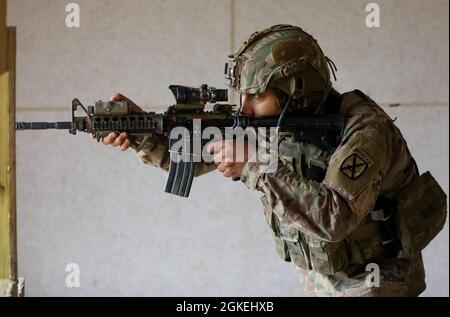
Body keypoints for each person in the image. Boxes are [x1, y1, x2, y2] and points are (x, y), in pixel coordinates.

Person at [97, 24, 446, 297]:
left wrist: (255, 165)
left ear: (296, 90)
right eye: (242, 94)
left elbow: (333, 217)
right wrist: (142, 131)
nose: (244, 108)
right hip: (323, 283)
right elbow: (187, 157)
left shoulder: (365, 131)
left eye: (255, 95)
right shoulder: (275, 119)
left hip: (380, 285)